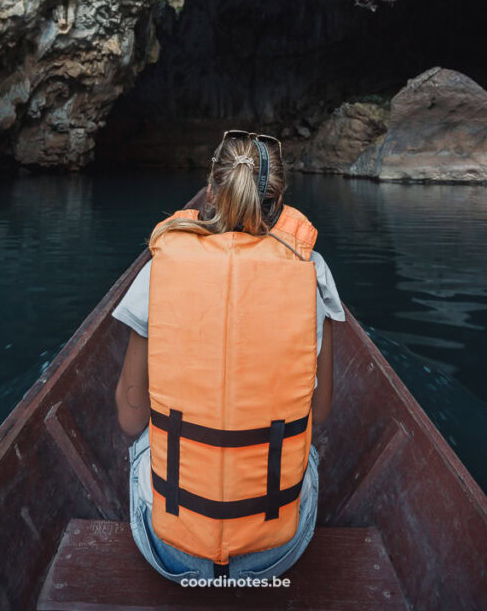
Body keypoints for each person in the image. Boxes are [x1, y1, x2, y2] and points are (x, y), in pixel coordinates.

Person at [112, 130, 345, 584]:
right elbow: (320, 412)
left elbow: (128, 416)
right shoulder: (311, 272)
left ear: (212, 190)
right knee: (310, 449)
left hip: (171, 553)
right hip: (275, 555)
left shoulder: (161, 268)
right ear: (278, 199)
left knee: (141, 439)